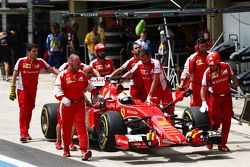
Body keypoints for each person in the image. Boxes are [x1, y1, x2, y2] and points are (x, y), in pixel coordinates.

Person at [9, 43, 59, 143]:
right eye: (33, 51)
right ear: (29, 52)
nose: (36, 53)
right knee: (23, 110)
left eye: (37, 51)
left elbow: (51, 69)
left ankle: (26, 131)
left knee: (30, 109)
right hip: (22, 90)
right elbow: (15, 73)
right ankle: (23, 133)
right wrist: (12, 89)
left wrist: (62, 75)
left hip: (33, 90)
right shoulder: (21, 61)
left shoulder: (40, 61)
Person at [53, 54, 97, 160]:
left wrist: (97, 93)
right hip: (66, 106)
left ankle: (84, 151)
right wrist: (63, 98)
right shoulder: (62, 75)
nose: (79, 65)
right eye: (78, 63)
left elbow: (89, 86)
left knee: (81, 128)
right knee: (66, 128)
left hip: (79, 105)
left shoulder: (82, 74)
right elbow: (56, 90)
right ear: (71, 63)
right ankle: (66, 149)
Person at [200, 51, 244, 152]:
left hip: (227, 98)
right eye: (211, 65)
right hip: (215, 98)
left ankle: (222, 144)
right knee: (215, 121)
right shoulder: (207, 73)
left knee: (227, 121)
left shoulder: (226, 66)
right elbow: (203, 88)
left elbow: (232, 76)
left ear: (218, 62)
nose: (213, 66)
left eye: (215, 64)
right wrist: (203, 101)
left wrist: (238, 87)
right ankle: (210, 140)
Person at [179, 37, 209, 107]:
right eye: (202, 47)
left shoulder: (210, 56)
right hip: (196, 86)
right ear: (197, 47)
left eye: (205, 46)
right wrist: (182, 84)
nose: (204, 48)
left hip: (209, 86)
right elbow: (186, 72)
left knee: (210, 105)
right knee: (196, 105)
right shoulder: (192, 58)